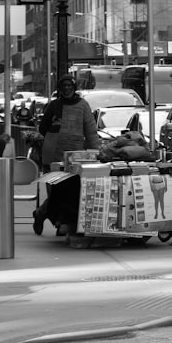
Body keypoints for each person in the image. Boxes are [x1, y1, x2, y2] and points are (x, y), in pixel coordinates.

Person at [32, 74, 100, 235]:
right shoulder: (54, 106)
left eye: (70, 87)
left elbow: (90, 130)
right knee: (57, 192)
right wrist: (55, 127)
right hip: (55, 155)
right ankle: (48, 217)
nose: (67, 90)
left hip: (76, 157)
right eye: (64, 87)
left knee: (71, 191)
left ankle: (60, 221)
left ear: (74, 88)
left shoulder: (83, 105)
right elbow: (42, 128)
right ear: (60, 90)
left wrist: (96, 152)